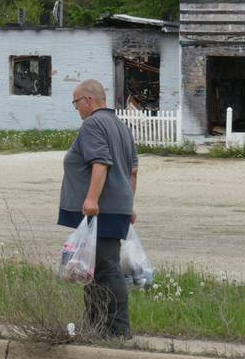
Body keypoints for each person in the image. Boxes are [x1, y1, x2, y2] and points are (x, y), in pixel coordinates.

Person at [58, 79, 138, 339]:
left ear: (88, 101)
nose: (76, 109)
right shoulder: (120, 126)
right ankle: (95, 325)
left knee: (106, 268)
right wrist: (129, 202)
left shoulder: (93, 124)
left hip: (101, 210)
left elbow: (101, 163)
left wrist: (92, 199)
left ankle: (118, 330)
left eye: (75, 103)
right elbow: (132, 170)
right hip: (116, 207)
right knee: (91, 270)